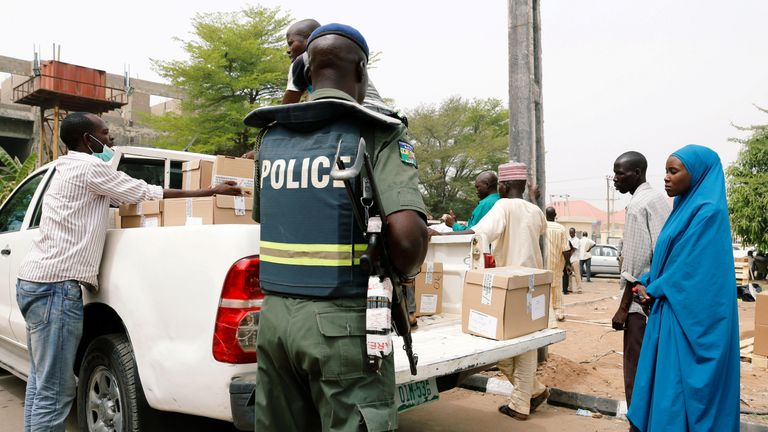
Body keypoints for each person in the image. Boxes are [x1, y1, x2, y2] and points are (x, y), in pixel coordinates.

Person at [245, 24, 428, 431]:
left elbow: (266, 216)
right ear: (362, 72)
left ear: (306, 71)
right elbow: (409, 242)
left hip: (273, 324)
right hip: (341, 329)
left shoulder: (270, 138)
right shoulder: (378, 132)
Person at [15, 112, 241, 431]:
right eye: (105, 133)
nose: (110, 140)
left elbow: (108, 202)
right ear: (87, 140)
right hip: (55, 288)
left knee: (41, 384)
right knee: (54, 393)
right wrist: (210, 192)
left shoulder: (66, 167)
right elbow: (144, 192)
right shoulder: (91, 167)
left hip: (33, 283)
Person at [627, 145, 740, 431]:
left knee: (678, 394)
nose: (665, 177)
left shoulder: (708, 212)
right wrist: (650, 280)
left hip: (690, 321)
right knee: (666, 393)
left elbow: (695, 271)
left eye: (673, 171)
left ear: (698, 174)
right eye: (665, 170)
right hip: (670, 311)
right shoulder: (681, 210)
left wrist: (656, 287)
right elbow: (672, 259)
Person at [432, 161, 549, 420]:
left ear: (503, 186)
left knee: (495, 339)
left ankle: (522, 401)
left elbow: (476, 234)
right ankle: (532, 392)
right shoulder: (535, 210)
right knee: (525, 343)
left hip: (506, 285)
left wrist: (439, 234)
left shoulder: (502, 206)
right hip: (533, 284)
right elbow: (539, 230)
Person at [609, 151, 671, 407]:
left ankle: (637, 422)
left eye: (620, 173)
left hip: (638, 304)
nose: (615, 179)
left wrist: (623, 309)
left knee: (635, 371)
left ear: (637, 173)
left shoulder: (638, 206)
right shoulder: (657, 199)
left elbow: (633, 266)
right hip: (655, 298)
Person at [544, 207, 570, 321]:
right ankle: (558, 312)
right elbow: (565, 249)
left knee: (544, 286)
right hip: (556, 262)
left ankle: (545, 312)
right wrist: (568, 264)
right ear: (555, 215)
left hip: (543, 263)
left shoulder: (541, 227)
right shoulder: (561, 229)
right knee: (556, 286)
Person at [567, 228, 582, 293]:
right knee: (569, 274)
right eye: (570, 233)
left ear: (575, 232)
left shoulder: (577, 240)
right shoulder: (568, 239)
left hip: (575, 259)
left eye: (572, 233)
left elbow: (573, 250)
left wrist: (568, 255)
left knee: (577, 274)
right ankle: (570, 288)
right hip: (569, 260)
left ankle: (579, 289)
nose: (571, 234)